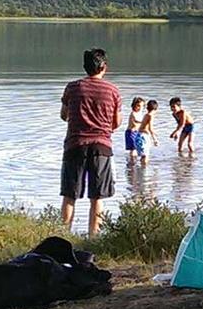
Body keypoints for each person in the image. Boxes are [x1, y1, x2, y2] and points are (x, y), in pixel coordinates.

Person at [59, 48, 122, 235]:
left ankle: (64, 235)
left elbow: (64, 116)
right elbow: (116, 123)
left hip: (74, 145)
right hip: (101, 147)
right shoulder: (113, 91)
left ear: (85, 67)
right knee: (97, 197)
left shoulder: (72, 87)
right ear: (104, 67)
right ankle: (93, 237)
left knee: (69, 195)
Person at [124, 97, 149, 163]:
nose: (140, 107)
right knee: (133, 149)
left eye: (142, 106)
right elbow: (135, 123)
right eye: (138, 106)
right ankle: (132, 162)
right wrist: (144, 122)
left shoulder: (140, 113)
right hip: (131, 133)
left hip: (137, 133)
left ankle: (134, 161)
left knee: (137, 148)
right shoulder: (133, 113)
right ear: (134, 105)